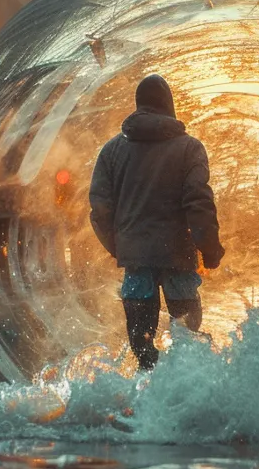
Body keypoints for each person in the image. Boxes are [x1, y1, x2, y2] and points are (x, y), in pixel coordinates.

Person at [89, 74, 224, 369]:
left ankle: (146, 403)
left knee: (143, 352)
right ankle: (186, 401)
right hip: (178, 259)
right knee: (188, 346)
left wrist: (120, 246)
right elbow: (198, 202)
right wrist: (210, 249)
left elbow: (100, 210)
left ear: (139, 105)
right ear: (169, 106)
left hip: (136, 264)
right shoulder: (190, 148)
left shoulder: (111, 152)